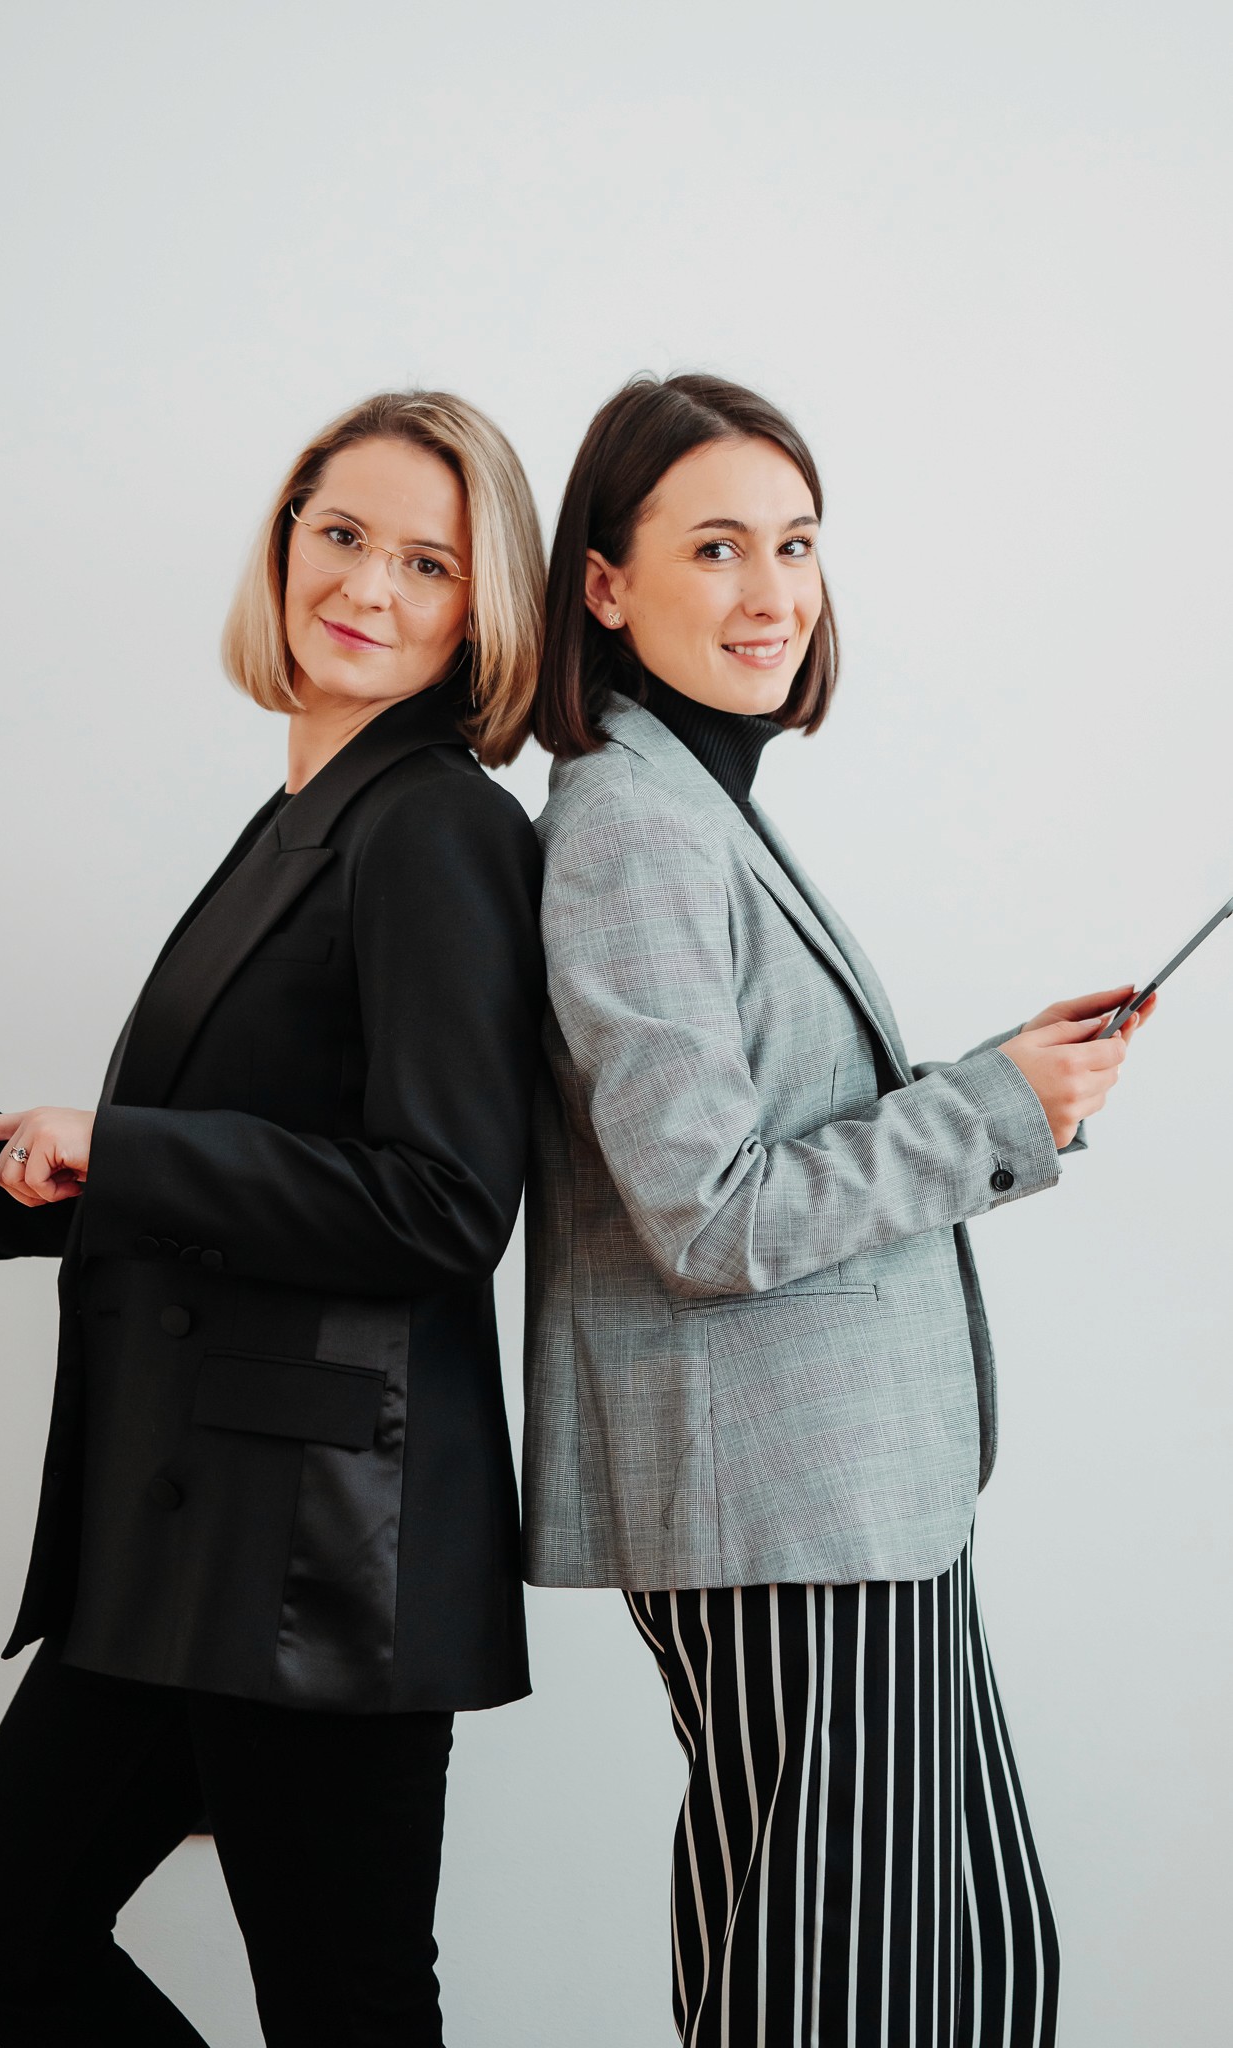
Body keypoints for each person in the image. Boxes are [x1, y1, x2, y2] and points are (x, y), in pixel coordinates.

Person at [0, 389, 546, 2048]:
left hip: (326, 1554)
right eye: (342, 537)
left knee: (345, 2011)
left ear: (485, 608)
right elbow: (225, 1161)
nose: (369, 588)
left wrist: (123, 1148)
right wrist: (2, 1163)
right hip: (191, 1541)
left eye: (426, 563)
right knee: (3, 1926)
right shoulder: (301, 819)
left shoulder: (442, 825)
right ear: (284, 543)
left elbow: (446, 1206)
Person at [523, 371, 1153, 2048]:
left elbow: (770, 1136)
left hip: (860, 1508)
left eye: (795, 544)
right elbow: (708, 1216)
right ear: (603, 583)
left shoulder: (703, 804)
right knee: (842, 1999)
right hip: (787, 1522)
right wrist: (992, 1112)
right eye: (716, 546)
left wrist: (1004, 1077)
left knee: (972, 1971)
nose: (772, 592)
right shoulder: (629, 827)